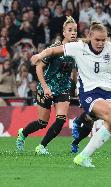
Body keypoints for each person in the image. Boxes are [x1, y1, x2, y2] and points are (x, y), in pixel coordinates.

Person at [30, 21, 111, 168]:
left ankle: (83, 157)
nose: (101, 43)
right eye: (97, 39)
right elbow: (52, 51)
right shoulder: (78, 47)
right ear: (90, 36)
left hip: (109, 91)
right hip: (89, 92)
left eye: (103, 40)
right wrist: (39, 55)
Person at [16, 16, 77, 154]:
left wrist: (76, 84)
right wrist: (45, 87)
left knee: (61, 120)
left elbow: (73, 69)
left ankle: (42, 146)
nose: (73, 33)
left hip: (63, 88)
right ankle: (22, 134)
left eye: (75, 30)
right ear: (64, 33)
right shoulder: (54, 48)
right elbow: (38, 67)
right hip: (47, 87)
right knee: (42, 123)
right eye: (70, 30)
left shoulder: (76, 49)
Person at [71, 52, 111, 153]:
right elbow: (76, 70)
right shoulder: (87, 51)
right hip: (89, 88)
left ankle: (77, 134)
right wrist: (77, 85)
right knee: (94, 117)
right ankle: (77, 133)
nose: (103, 43)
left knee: (93, 118)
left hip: (105, 87)